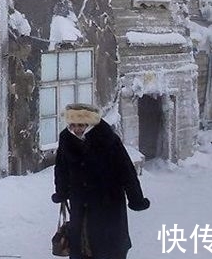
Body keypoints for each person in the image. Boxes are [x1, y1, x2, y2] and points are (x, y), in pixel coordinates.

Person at [51, 103, 150, 259]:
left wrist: (136, 198)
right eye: (73, 125)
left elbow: (126, 170)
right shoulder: (66, 138)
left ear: (90, 123)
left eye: (81, 125)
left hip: (107, 202)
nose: (77, 129)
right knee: (82, 247)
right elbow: (61, 168)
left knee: (107, 247)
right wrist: (61, 191)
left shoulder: (107, 138)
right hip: (80, 202)